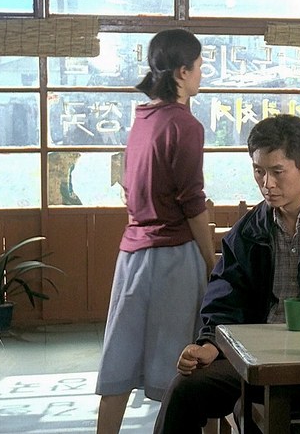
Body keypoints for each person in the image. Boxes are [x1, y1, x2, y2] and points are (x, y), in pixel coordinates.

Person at [153, 114, 300, 433]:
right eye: (259, 171)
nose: (267, 184)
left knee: (253, 409)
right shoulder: (247, 232)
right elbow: (225, 296)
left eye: (277, 172)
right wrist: (209, 343)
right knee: (185, 389)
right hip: (256, 362)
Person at [96, 28, 216, 434]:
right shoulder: (185, 125)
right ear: (182, 72)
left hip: (131, 255)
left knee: (119, 361)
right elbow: (192, 202)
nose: (201, 74)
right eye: (199, 66)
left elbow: (131, 187)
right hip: (174, 257)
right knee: (188, 366)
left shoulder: (142, 118)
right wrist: (211, 260)